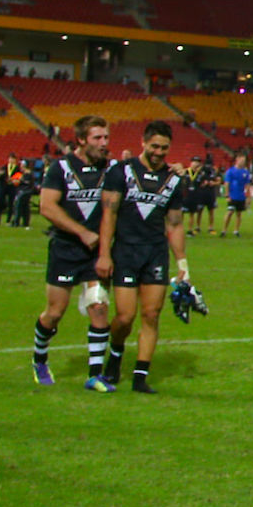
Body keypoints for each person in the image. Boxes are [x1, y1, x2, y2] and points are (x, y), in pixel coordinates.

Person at [94, 121, 189, 394]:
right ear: (143, 143)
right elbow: (108, 215)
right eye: (155, 146)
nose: (159, 152)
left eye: (165, 147)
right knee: (124, 317)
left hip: (155, 253)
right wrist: (104, 254)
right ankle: (116, 351)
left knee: (151, 314)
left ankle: (140, 377)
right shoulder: (121, 172)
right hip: (125, 251)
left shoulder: (173, 179)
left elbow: (174, 224)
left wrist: (182, 263)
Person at [32, 115, 114, 390]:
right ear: (81, 140)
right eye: (97, 138)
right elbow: (47, 207)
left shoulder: (111, 168)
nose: (104, 143)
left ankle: (94, 375)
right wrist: (82, 232)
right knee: (55, 312)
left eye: (106, 137)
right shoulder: (61, 168)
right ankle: (39, 359)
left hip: (96, 254)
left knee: (99, 307)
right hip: (66, 250)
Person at [221, 154, 252, 237]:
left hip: (241, 196)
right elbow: (226, 184)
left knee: (239, 214)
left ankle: (236, 230)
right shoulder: (230, 171)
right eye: (242, 160)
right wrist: (227, 195)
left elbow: (247, 185)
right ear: (237, 160)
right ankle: (224, 230)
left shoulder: (246, 172)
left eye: (244, 161)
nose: (243, 162)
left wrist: (248, 197)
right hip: (232, 196)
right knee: (230, 212)